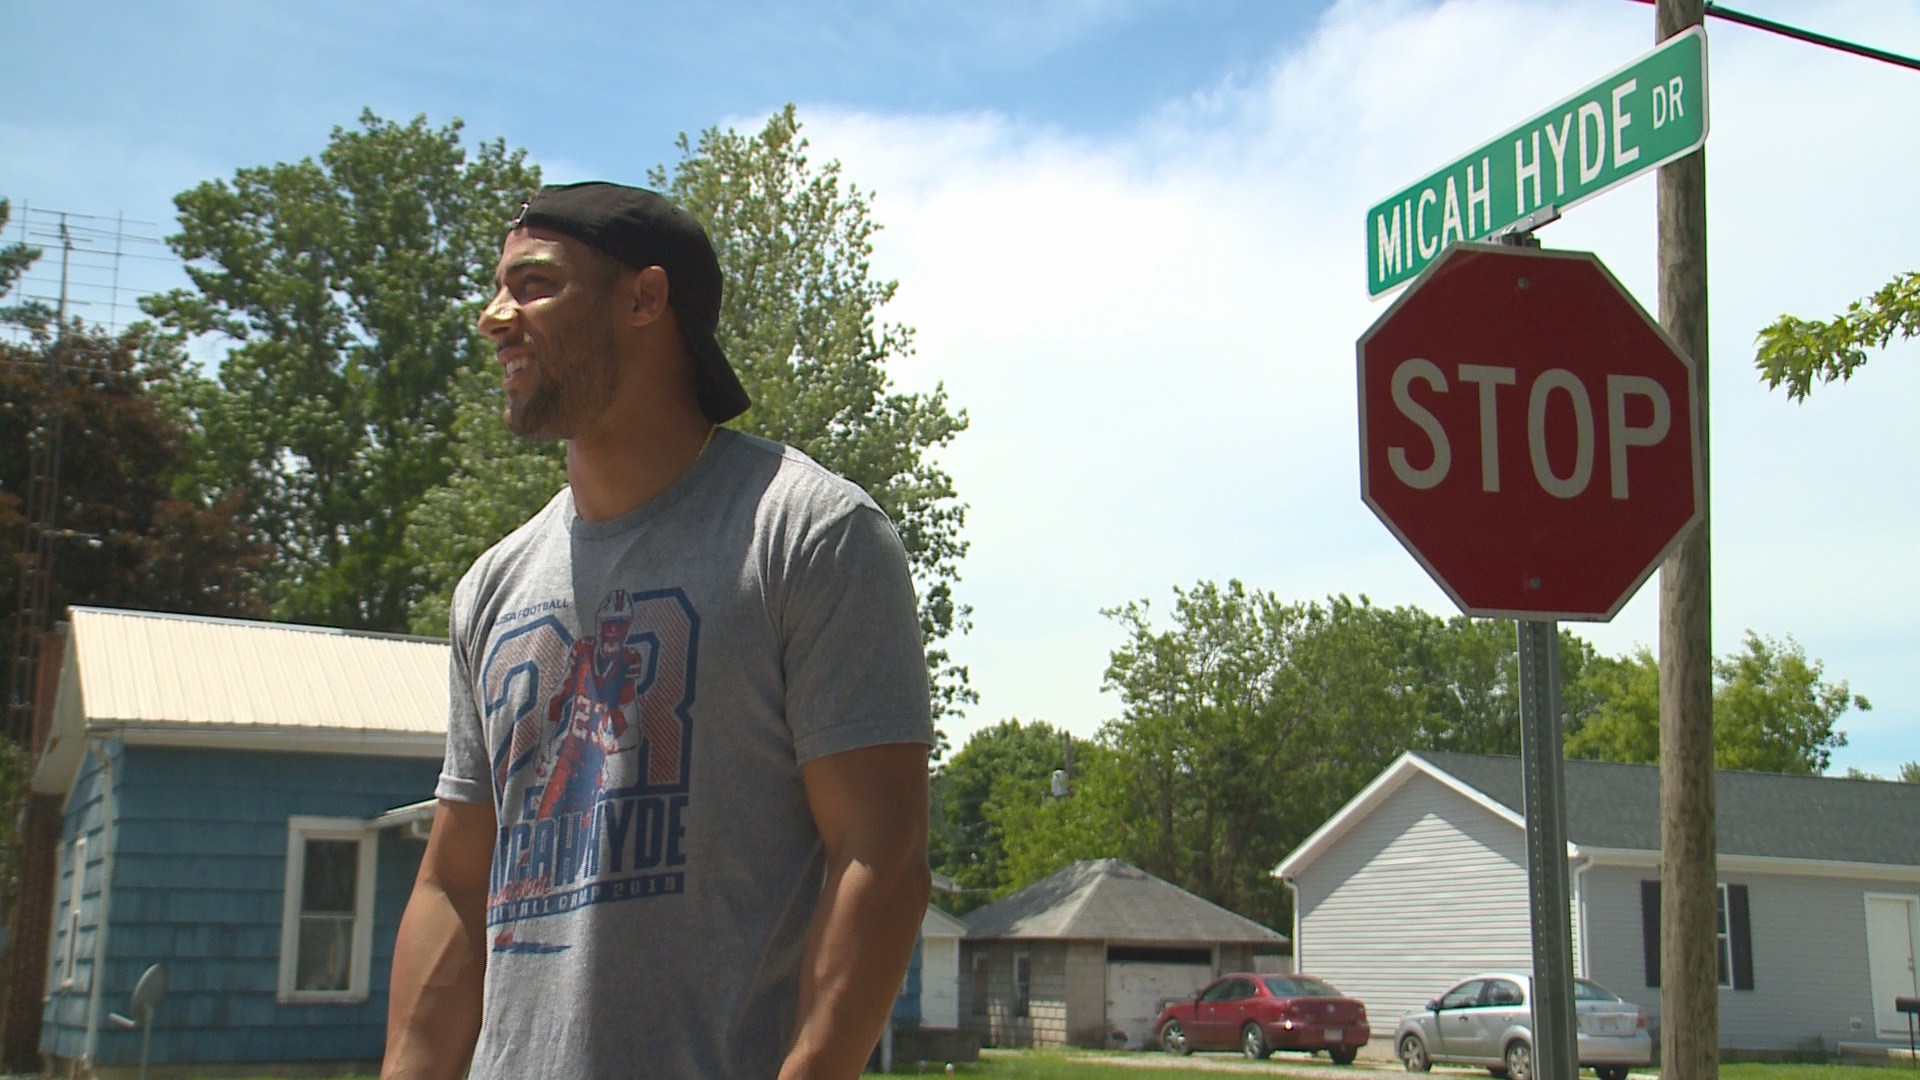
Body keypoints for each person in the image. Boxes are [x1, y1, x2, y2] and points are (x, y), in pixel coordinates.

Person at [383, 181, 934, 1080]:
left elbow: (882, 853)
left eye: (533, 286)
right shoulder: (491, 589)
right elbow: (452, 881)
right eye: (498, 288)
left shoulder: (808, 536)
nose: (494, 318)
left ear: (644, 298)